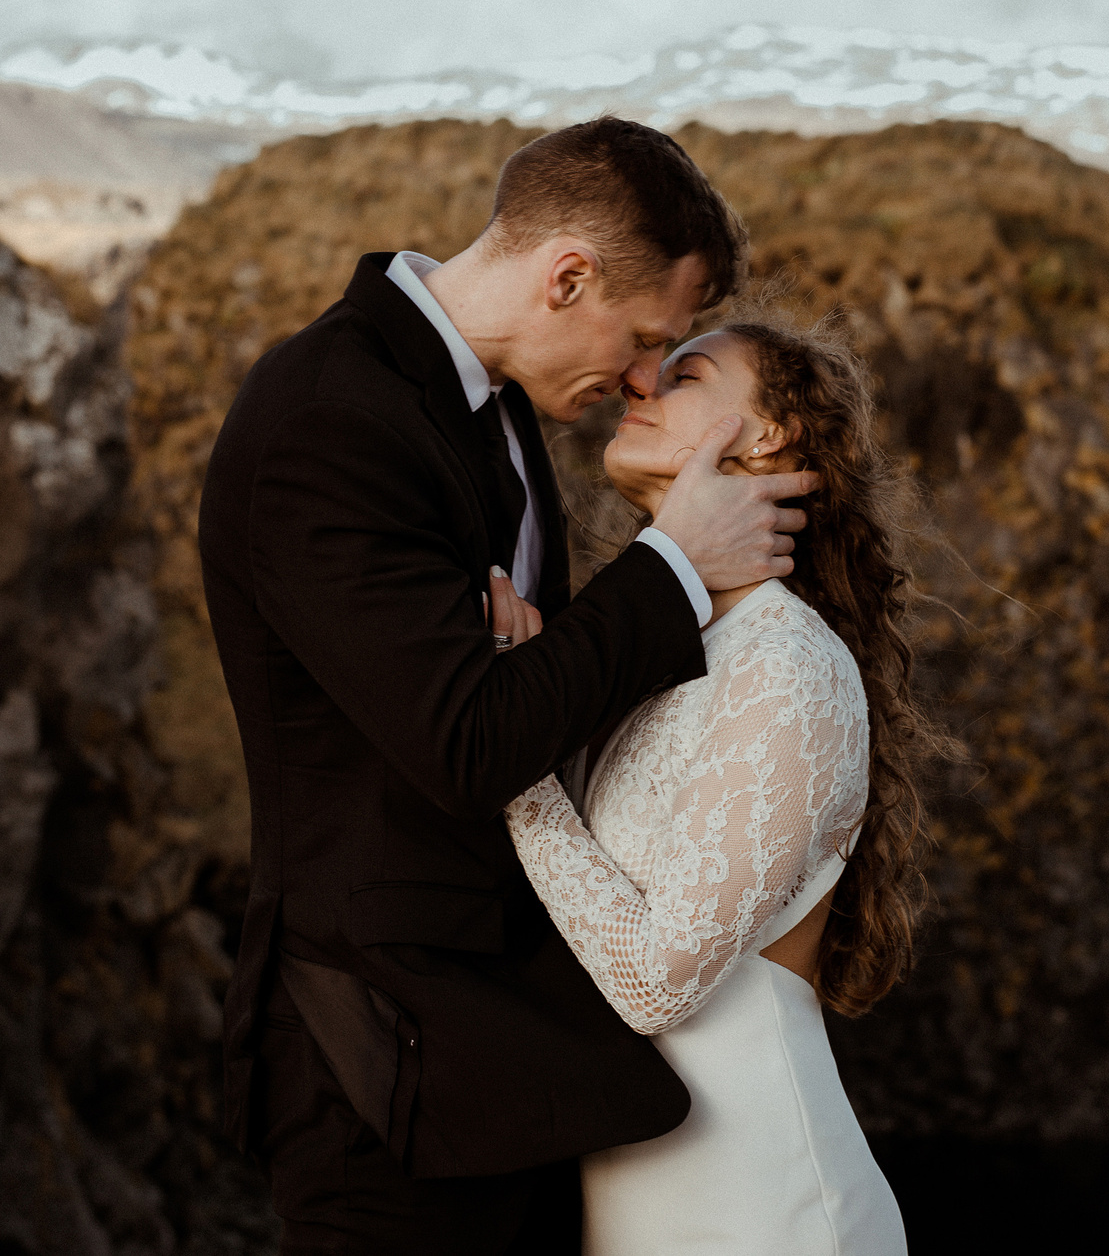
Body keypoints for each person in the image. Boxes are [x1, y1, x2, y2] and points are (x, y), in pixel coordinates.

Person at [198, 118, 822, 1254]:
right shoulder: (329, 420)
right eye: (643, 337)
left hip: (510, 1055)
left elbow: (524, 698)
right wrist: (677, 563)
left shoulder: (504, 413)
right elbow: (468, 745)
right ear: (566, 273)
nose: (642, 376)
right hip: (379, 1066)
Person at [496, 314, 955, 1255]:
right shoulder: (655, 650)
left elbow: (656, 980)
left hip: (761, 1205)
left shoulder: (788, 660)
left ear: (768, 434)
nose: (639, 385)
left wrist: (512, 761)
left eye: (686, 374)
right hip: (634, 1194)